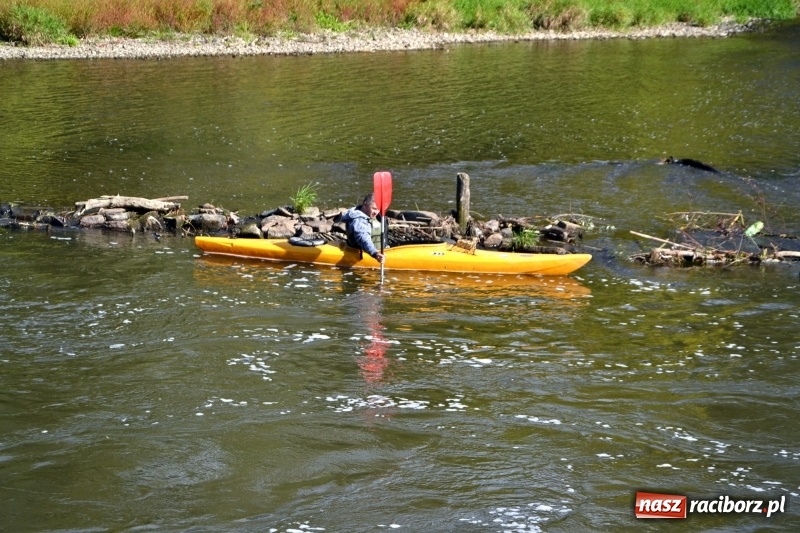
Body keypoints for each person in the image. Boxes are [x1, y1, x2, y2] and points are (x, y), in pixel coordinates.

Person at [341, 193, 385, 263]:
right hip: (366, 253)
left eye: (378, 209)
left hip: (381, 248)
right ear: (365, 205)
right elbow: (364, 239)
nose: (376, 212)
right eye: (374, 208)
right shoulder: (359, 221)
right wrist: (375, 254)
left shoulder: (366, 213)